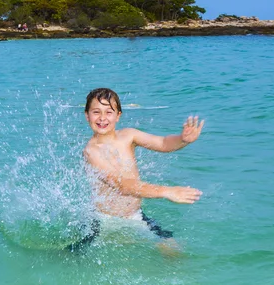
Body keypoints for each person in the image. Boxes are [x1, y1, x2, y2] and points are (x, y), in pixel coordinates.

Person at [69, 87, 204, 252]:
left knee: (173, 249)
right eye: (96, 112)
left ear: (118, 115)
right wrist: (167, 191)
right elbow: (122, 186)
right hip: (103, 220)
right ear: (87, 115)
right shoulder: (91, 151)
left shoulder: (129, 136)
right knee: (75, 255)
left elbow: (162, 143)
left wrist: (183, 140)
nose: (102, 118)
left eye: (108, 112)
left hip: (135, 216)